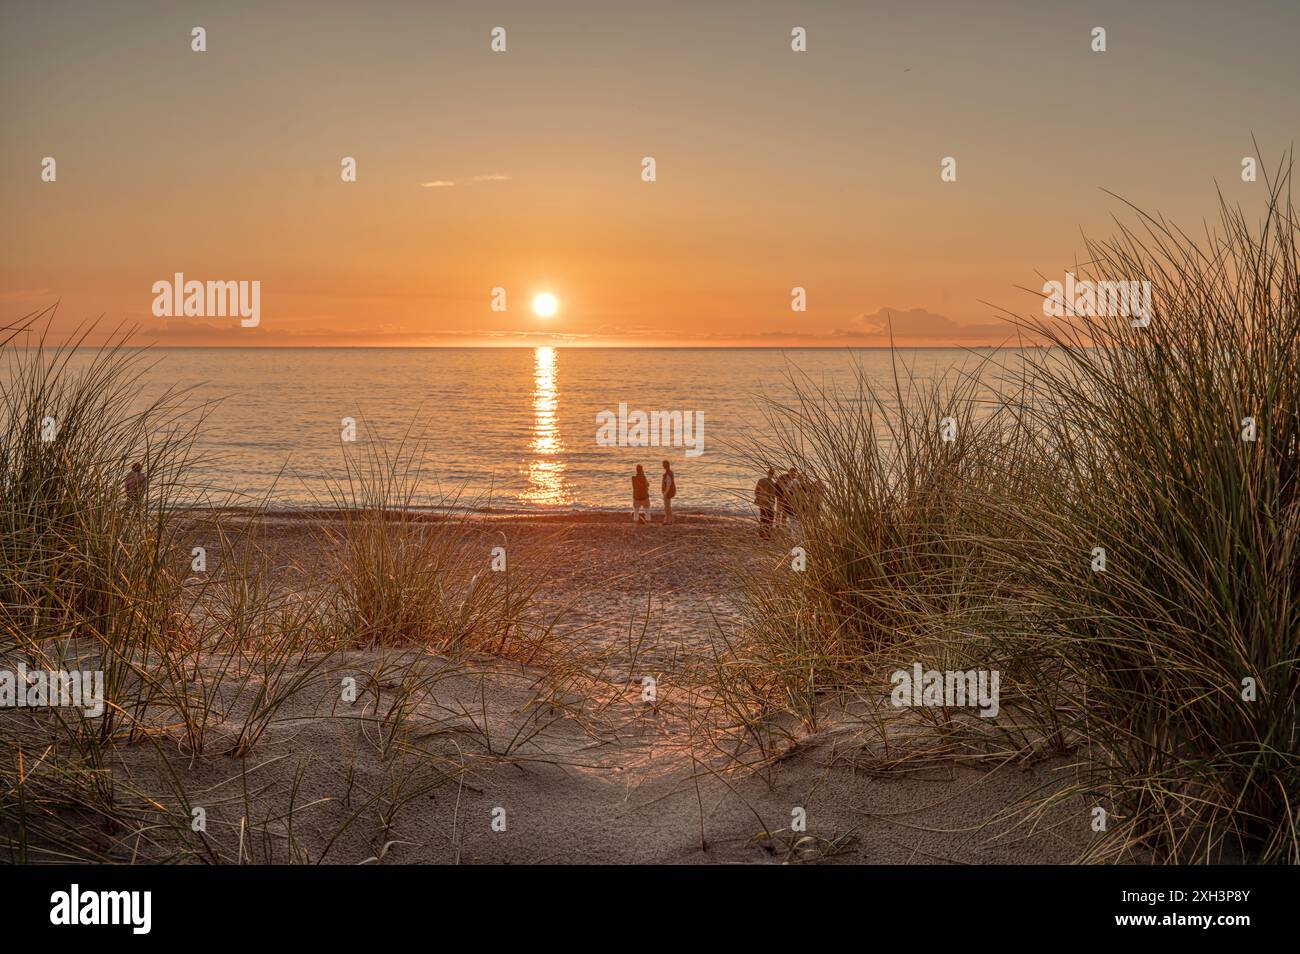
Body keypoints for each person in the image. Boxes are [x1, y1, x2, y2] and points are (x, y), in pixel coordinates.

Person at [754, 466, 777, 537]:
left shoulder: (771, 483)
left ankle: (764, 534)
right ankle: (765, 534)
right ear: (768, 473)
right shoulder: (766, 482)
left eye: (772, 473)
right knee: (767, 519)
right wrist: (763, 498)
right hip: (766, 504)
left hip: (766, 504)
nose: (771, 475)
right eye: (771, 473)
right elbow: (756, 492)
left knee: (765, 519)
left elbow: (756, 492)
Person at [660, 459, 676, 525]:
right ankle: (669, 520)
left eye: (663, 464)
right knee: (667, 506)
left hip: (668, 492)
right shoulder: (669, 473)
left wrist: (665, 493)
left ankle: (669, 520)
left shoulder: (668, 474)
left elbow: (668, 485)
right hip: (669, 491)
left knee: (667, 507)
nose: (662, 466)